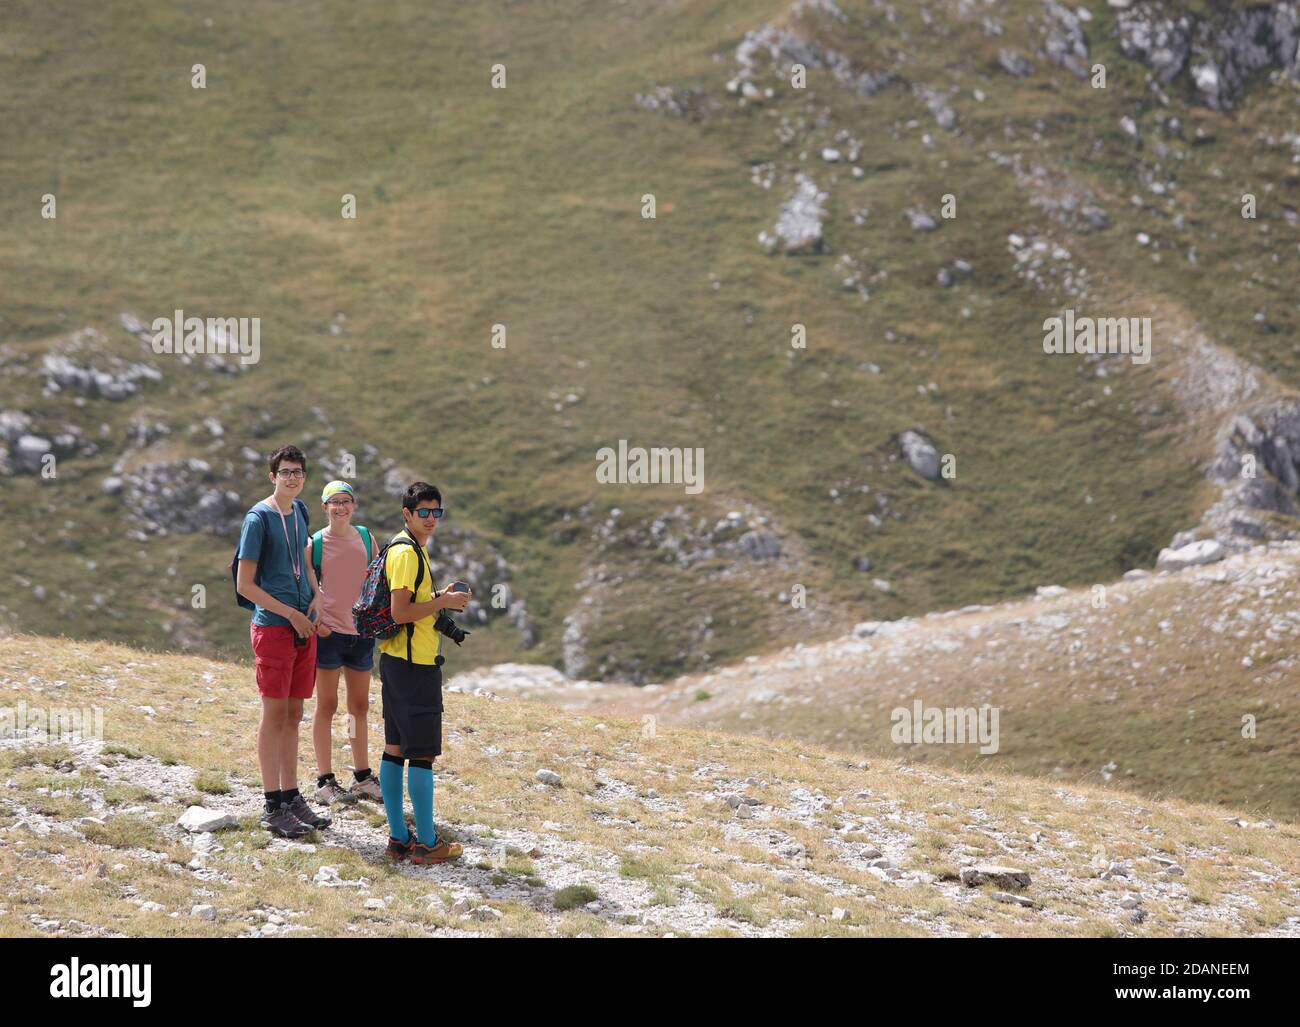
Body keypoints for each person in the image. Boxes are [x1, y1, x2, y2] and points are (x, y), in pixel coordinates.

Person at [234, 444, 332, 838]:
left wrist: (316, 593)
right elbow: (245, 584)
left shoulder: (302, 511)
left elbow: (305, 563)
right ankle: (271, 803)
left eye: (298, 472)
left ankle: (292, 796)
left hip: (301, 627)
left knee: (293, 714)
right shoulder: (258, 519)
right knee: (273, 716)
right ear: (272, 476)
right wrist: (290, 613)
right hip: (275, 627)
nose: (292, 478)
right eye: (285, 472)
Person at [378, 482, 468, 864]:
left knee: (395, 748)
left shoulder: (408, 549)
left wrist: (436, 599)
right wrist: (443, 602)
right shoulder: (407, 554)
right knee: (423, 755)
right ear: (407, 514)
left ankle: (399, 839)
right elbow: (401, 612)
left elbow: (412, 605)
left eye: (437, 512)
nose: (431, 519)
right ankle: (428, 844)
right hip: (414, 667)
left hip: (396, 662)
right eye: (424, 512)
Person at [308, 480, 383, 804]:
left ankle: (362, 776)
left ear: (354, 506)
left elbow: (378, 580)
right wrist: (317, 625)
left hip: (361, 634)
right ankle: (325, 781)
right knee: (326, 705)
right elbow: (306, 590)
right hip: (328, 636)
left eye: (345, 501)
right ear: (324, 507)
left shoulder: (366, 538)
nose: (340, 507)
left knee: (359, 706)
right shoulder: (316, 544)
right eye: (333, 502)